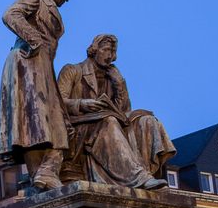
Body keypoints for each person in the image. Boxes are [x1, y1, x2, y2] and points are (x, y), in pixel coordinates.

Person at [56, 34, 174, 189]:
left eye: (112, 52)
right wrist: (81, 104)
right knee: (109, 120)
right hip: (79, 127)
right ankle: (138, 178)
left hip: (109, 123)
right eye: (105, 50)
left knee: (148, 121)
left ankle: (146, 174)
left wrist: (119, 84)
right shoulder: (72, 70)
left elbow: (124, 112)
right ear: (94, 50)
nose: (109, 56)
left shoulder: (113, 77)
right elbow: (56, 102)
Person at [0, 0, 76, 190]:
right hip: (28, 62)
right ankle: (43, 173)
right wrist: (35, 40)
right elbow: (10, 14)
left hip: (41, 65)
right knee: (36, 121)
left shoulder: (50, 7)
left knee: (40, 123)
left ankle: (42, 175)